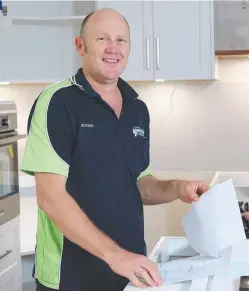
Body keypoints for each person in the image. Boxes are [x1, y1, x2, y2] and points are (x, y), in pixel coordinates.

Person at [21, 8, 209, 291]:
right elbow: (50, 197)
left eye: (121, 40)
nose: (113, 48)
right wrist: (116, 256)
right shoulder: (58, 102)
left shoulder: (137, 108)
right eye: (102, 39)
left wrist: (177, 188)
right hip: (70, 275)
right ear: (80, 45)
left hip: (127, 272)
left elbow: (139, 184)